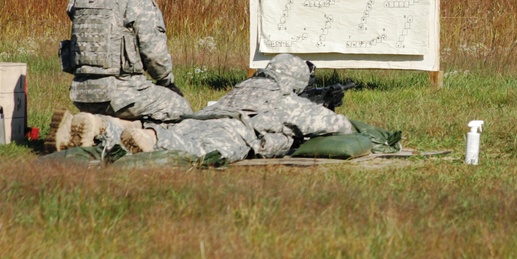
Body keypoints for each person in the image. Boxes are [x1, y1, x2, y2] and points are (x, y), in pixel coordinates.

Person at [56, 0, 192, 149]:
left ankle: (91, 124)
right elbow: (154, 53)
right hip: (121, 91)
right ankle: (111, 128)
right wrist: (166, 81)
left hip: (82, 93)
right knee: (181, 111)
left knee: (147, 110)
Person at [115, 53, 356, 162]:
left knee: (179, 134)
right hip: (232, 130)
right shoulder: (286, 100)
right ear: (295, 82)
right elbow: (340, 126)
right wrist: (320, 107)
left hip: (198, 119)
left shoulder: (246, 86)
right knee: (202, 153)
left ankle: (107, 130)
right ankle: (152, 137)